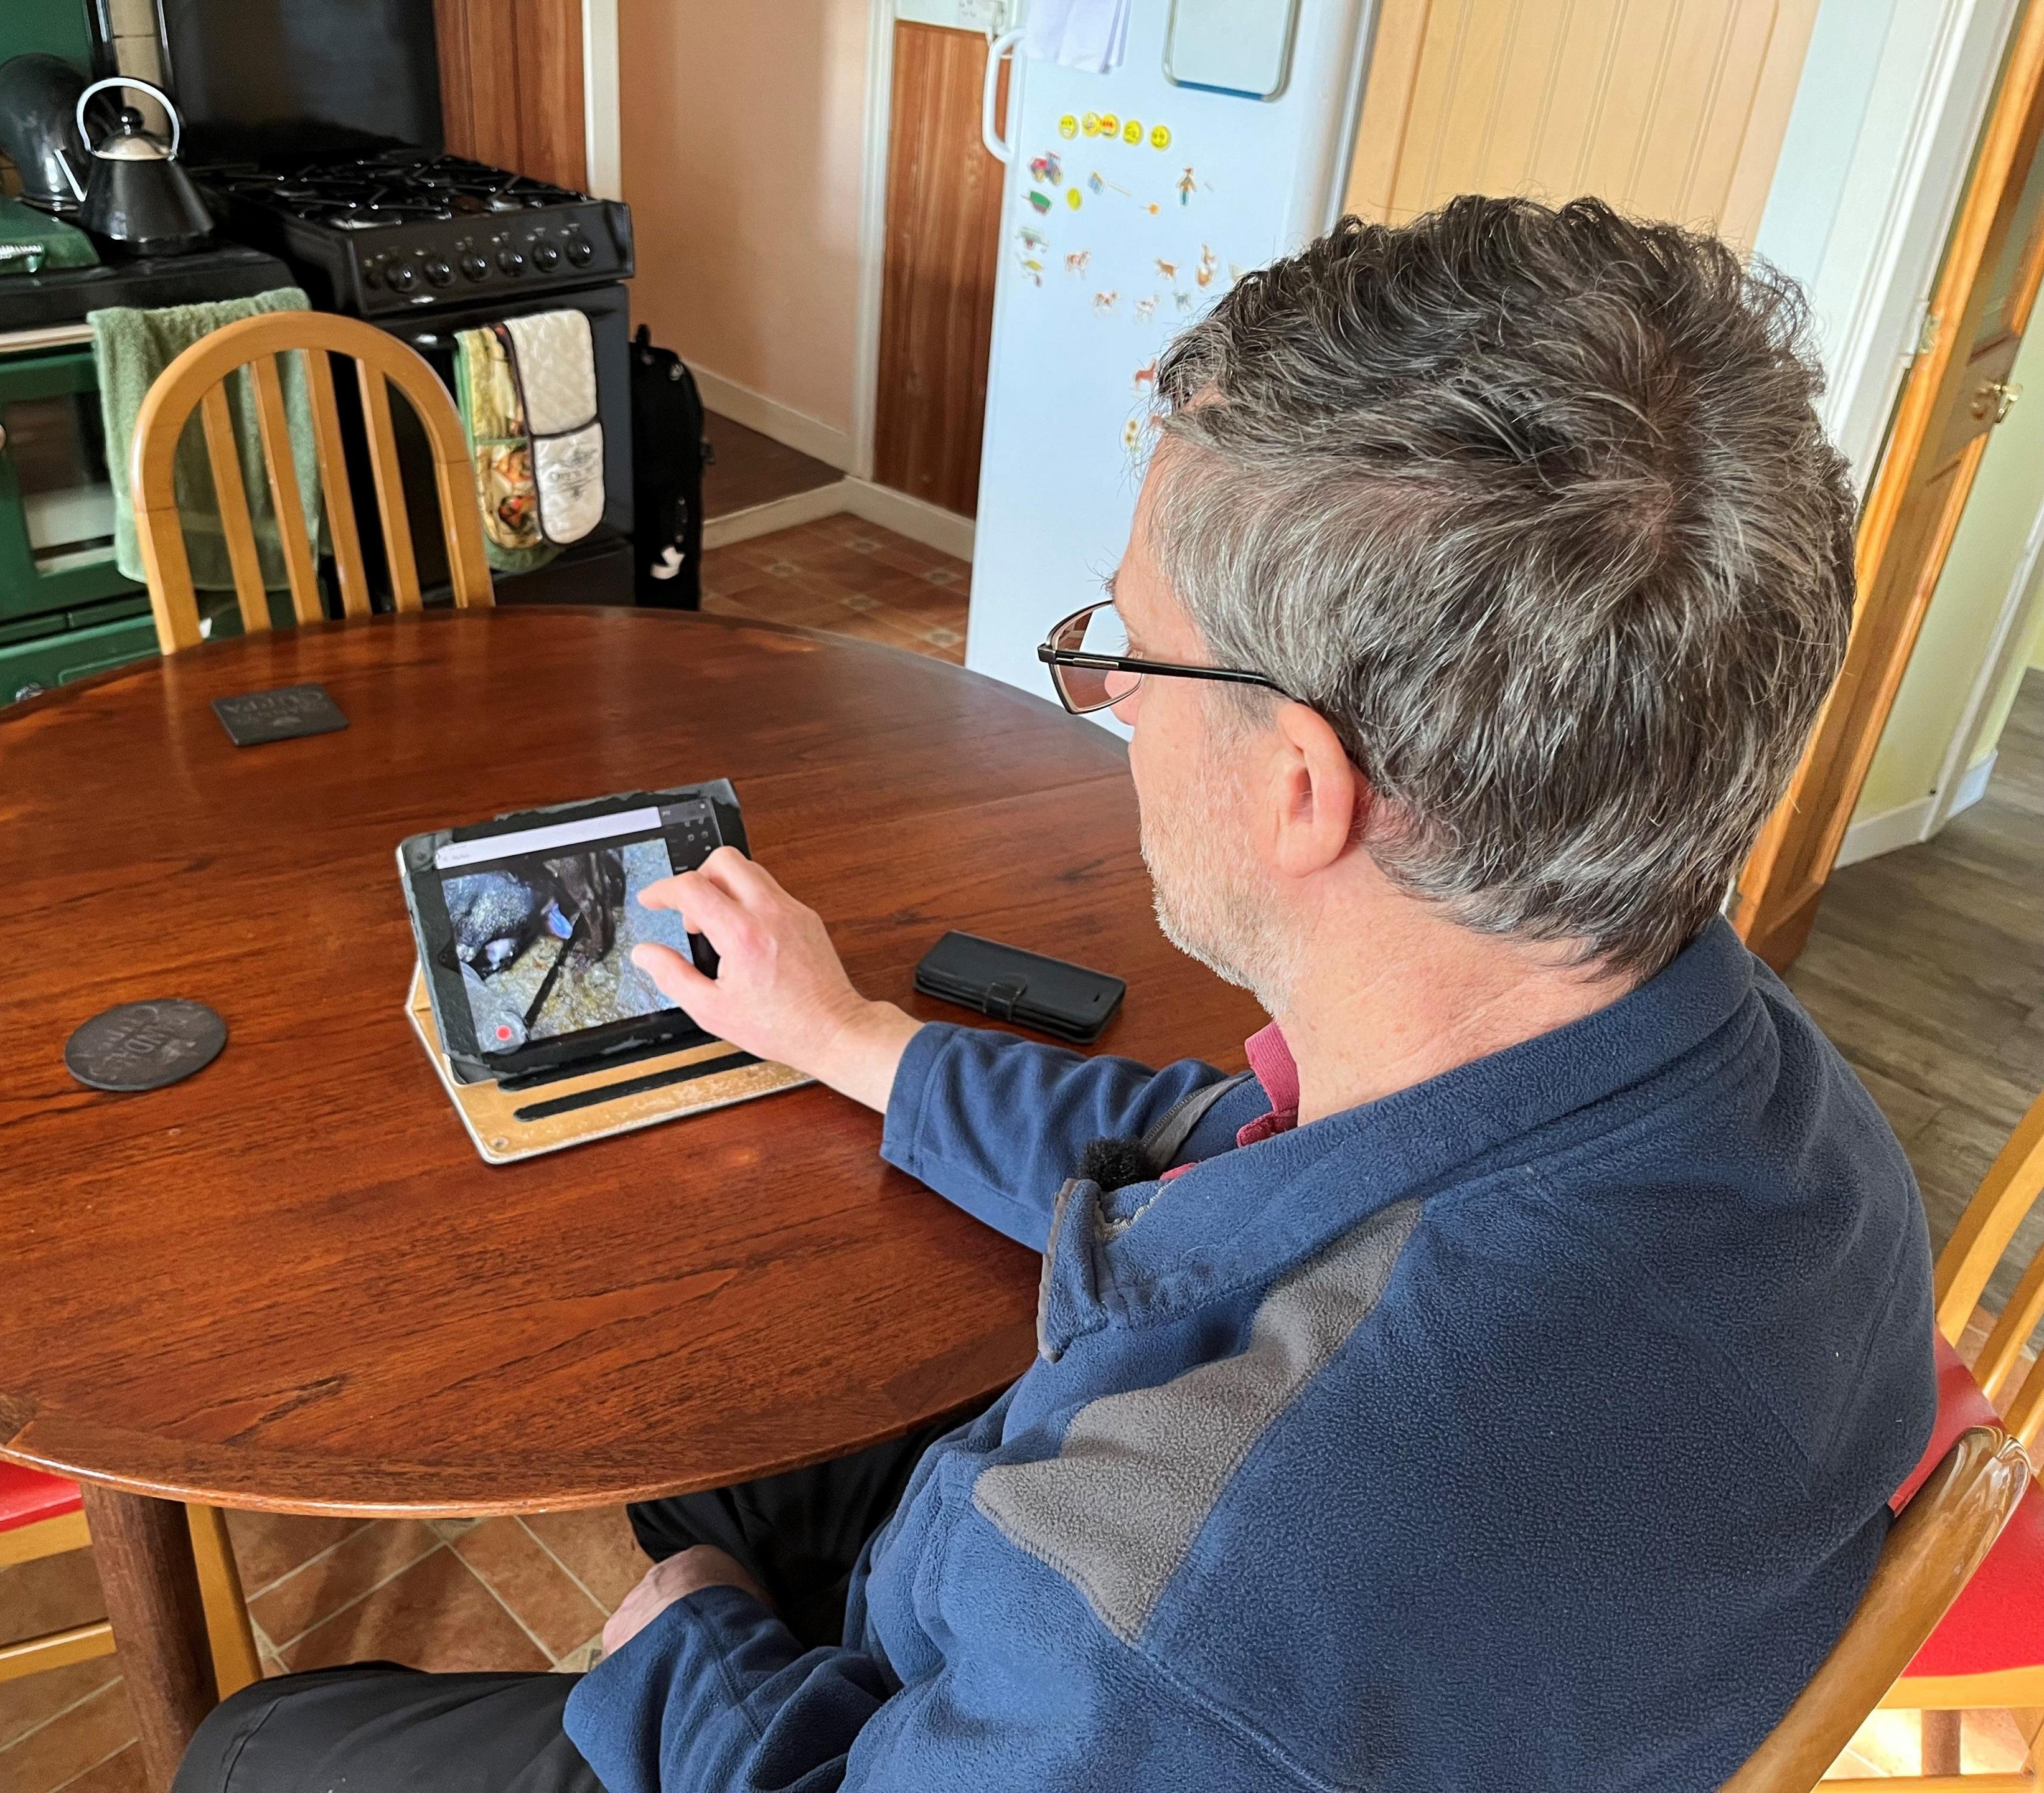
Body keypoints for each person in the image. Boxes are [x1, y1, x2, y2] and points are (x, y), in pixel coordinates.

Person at [174, 197, 1936, 1793]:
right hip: (1214, 1645)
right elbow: (1214, 1147)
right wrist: (846, 1033)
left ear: (1299, 788)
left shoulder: (1179, 1611)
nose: (1112, 697)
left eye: (1126, 646)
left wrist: (683, 1650)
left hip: (949, 1704)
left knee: (264, 1747)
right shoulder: (1771, 1099)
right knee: (711, 1421)